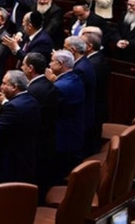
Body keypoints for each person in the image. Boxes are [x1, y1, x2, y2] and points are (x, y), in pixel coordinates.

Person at [19, 52, 59, 197]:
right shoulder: (48, 83)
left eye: (23, 64)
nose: (21, 67)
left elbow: (23, 117)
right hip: (48, 140)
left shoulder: (32, 91)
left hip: (36, 144)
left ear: (30, 68)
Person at [0, 70, 40, 184]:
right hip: (27, 157)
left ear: (14, 87)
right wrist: (5, 102)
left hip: (11, 160)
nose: (1, 86)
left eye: (4, 84)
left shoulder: (12, 107)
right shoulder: (32, 100)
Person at [45, 50, 85, 179]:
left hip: (63, 135)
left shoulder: (60, 86)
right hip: (75, 129)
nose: (49, 65)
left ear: (60, 64)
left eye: (52, 61)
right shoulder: (74, 77)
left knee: (58, 173)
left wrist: (53, 84)